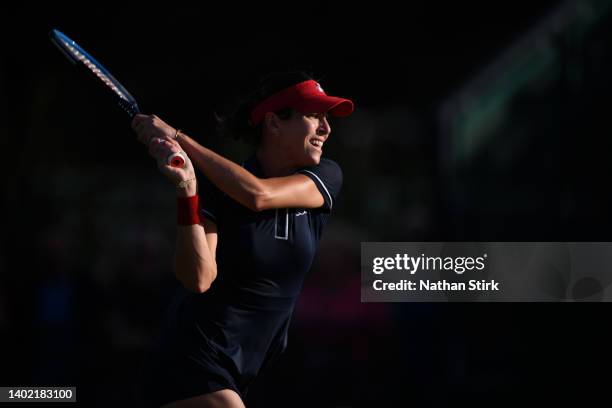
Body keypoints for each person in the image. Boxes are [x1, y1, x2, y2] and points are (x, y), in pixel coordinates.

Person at [132, 71, 354, 407]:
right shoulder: (217, 190)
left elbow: (258, 194)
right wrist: (187, 190)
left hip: (247, 371)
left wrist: (180, 139)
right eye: (313, 116)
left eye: (326, 118)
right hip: (194, 359)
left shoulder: (326, 176)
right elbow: (198, 278)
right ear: (274, 124)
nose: (326, 128)